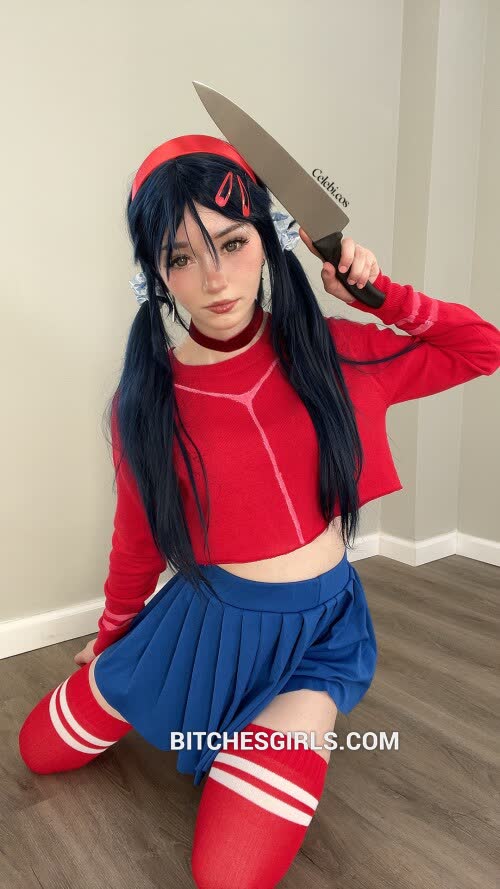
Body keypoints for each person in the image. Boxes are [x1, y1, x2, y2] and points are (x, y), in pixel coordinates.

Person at [18, 134, 500, 888]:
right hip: (200, 625)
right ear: (157, 274)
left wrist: (380, 294)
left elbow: (482, 349)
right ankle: (186, 710)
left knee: (227, 875)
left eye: (233, 243)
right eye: (182, 257)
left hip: (319, 635)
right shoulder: (146, 403)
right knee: (38, 751)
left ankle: (267, 733)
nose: (214, 277)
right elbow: (137, 540)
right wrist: (111, 636)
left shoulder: (339, 354)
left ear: (268, 241)